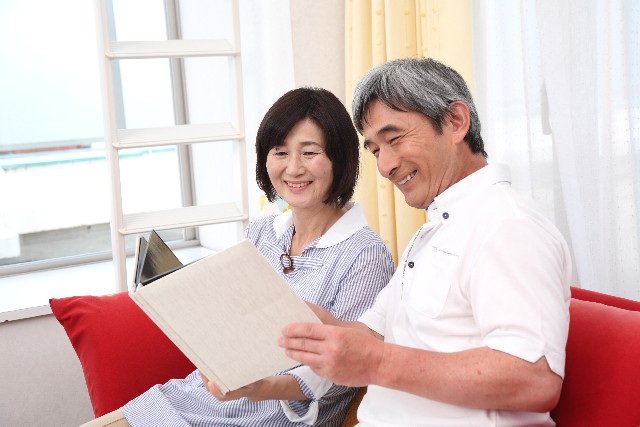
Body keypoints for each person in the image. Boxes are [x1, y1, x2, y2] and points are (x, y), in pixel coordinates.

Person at [278, 58, 572, 426]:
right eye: (374, 150)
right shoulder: (434, 230)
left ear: (455, 122)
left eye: (394, 139)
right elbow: (373, 331)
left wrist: (377, 362)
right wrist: (312, 326)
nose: (385, 166)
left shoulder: (507, 226)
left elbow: (534, 380)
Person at [81, 87, 394, 427]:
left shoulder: (365, 255)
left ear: (340, 159)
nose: (293, 168)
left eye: (309, 152)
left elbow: (339, 374)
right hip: (199, 398)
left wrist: (260, 387)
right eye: (280, 152)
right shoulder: (261, 233)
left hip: (273, 415)